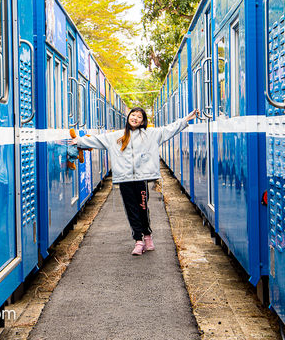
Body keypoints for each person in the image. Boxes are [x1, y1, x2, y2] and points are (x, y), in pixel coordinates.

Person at [71, 107, 199, 255]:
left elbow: (168, 130)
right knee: (131, 210)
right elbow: (96, 140)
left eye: (139, 117)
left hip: (141, 179)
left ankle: (148, 236)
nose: (135, 118)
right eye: (133, 115)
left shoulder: (150, 134)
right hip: (124, 179)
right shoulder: (116, 136)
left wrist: (185, 120)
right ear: (128, 117)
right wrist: (79, 141)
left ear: (143, 121)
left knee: (143, 208)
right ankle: (138, 241)